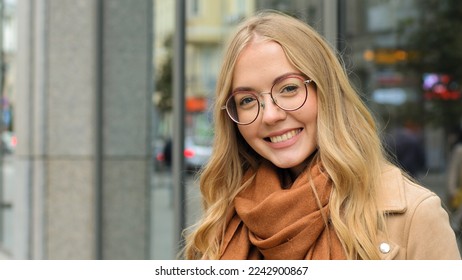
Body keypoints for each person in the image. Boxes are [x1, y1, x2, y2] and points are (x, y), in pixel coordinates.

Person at [183, 11, 460, 260]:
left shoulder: (416, 216)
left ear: (326, 91)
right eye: (247, 100)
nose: (270, 115)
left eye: (289, 88)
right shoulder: (221, 223)